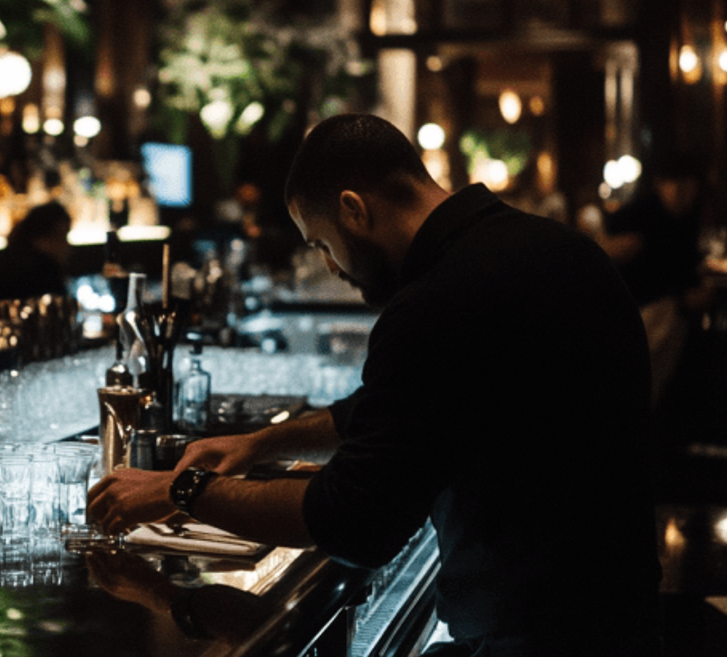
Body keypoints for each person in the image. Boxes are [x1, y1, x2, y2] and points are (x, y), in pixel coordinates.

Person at [88, 113, 661, 657]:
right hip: (619, 618)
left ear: (353, 209)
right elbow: (411, 404)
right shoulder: (553, 250)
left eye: (320, 243)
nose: (333, 267)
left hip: (533, 638)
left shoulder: (436, 302)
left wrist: (180, 492)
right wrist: (260, 444)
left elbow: (353, 522)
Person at [597, 152, 714, 407]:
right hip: (644, 317)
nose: (679, 192)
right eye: (673, 184)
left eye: (687, 186)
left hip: (670, 320)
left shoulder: (686, 220)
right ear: (659, 184)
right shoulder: (639, 217)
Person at [0, 200, 72, 318]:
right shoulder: (42, 273)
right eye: (62, 237)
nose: (67, 246)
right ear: (40, 239)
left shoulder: (6, 261)